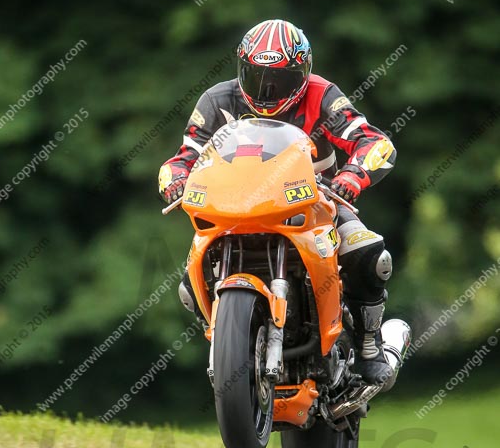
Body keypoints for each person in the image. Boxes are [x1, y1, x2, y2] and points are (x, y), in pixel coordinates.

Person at [158, 19, 396, 385]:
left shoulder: (323, 95)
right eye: (256, 77)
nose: (267, 90)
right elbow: (184, 156)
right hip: (235, 207)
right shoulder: (217, 101)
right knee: (189, 285)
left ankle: (369, 344)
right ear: (241, 70)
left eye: (279, 81)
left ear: (302, 75)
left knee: (366, 253)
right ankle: (228, 340)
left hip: (318, 202)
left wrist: (350, 177)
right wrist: (175, 181)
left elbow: (374, 142)